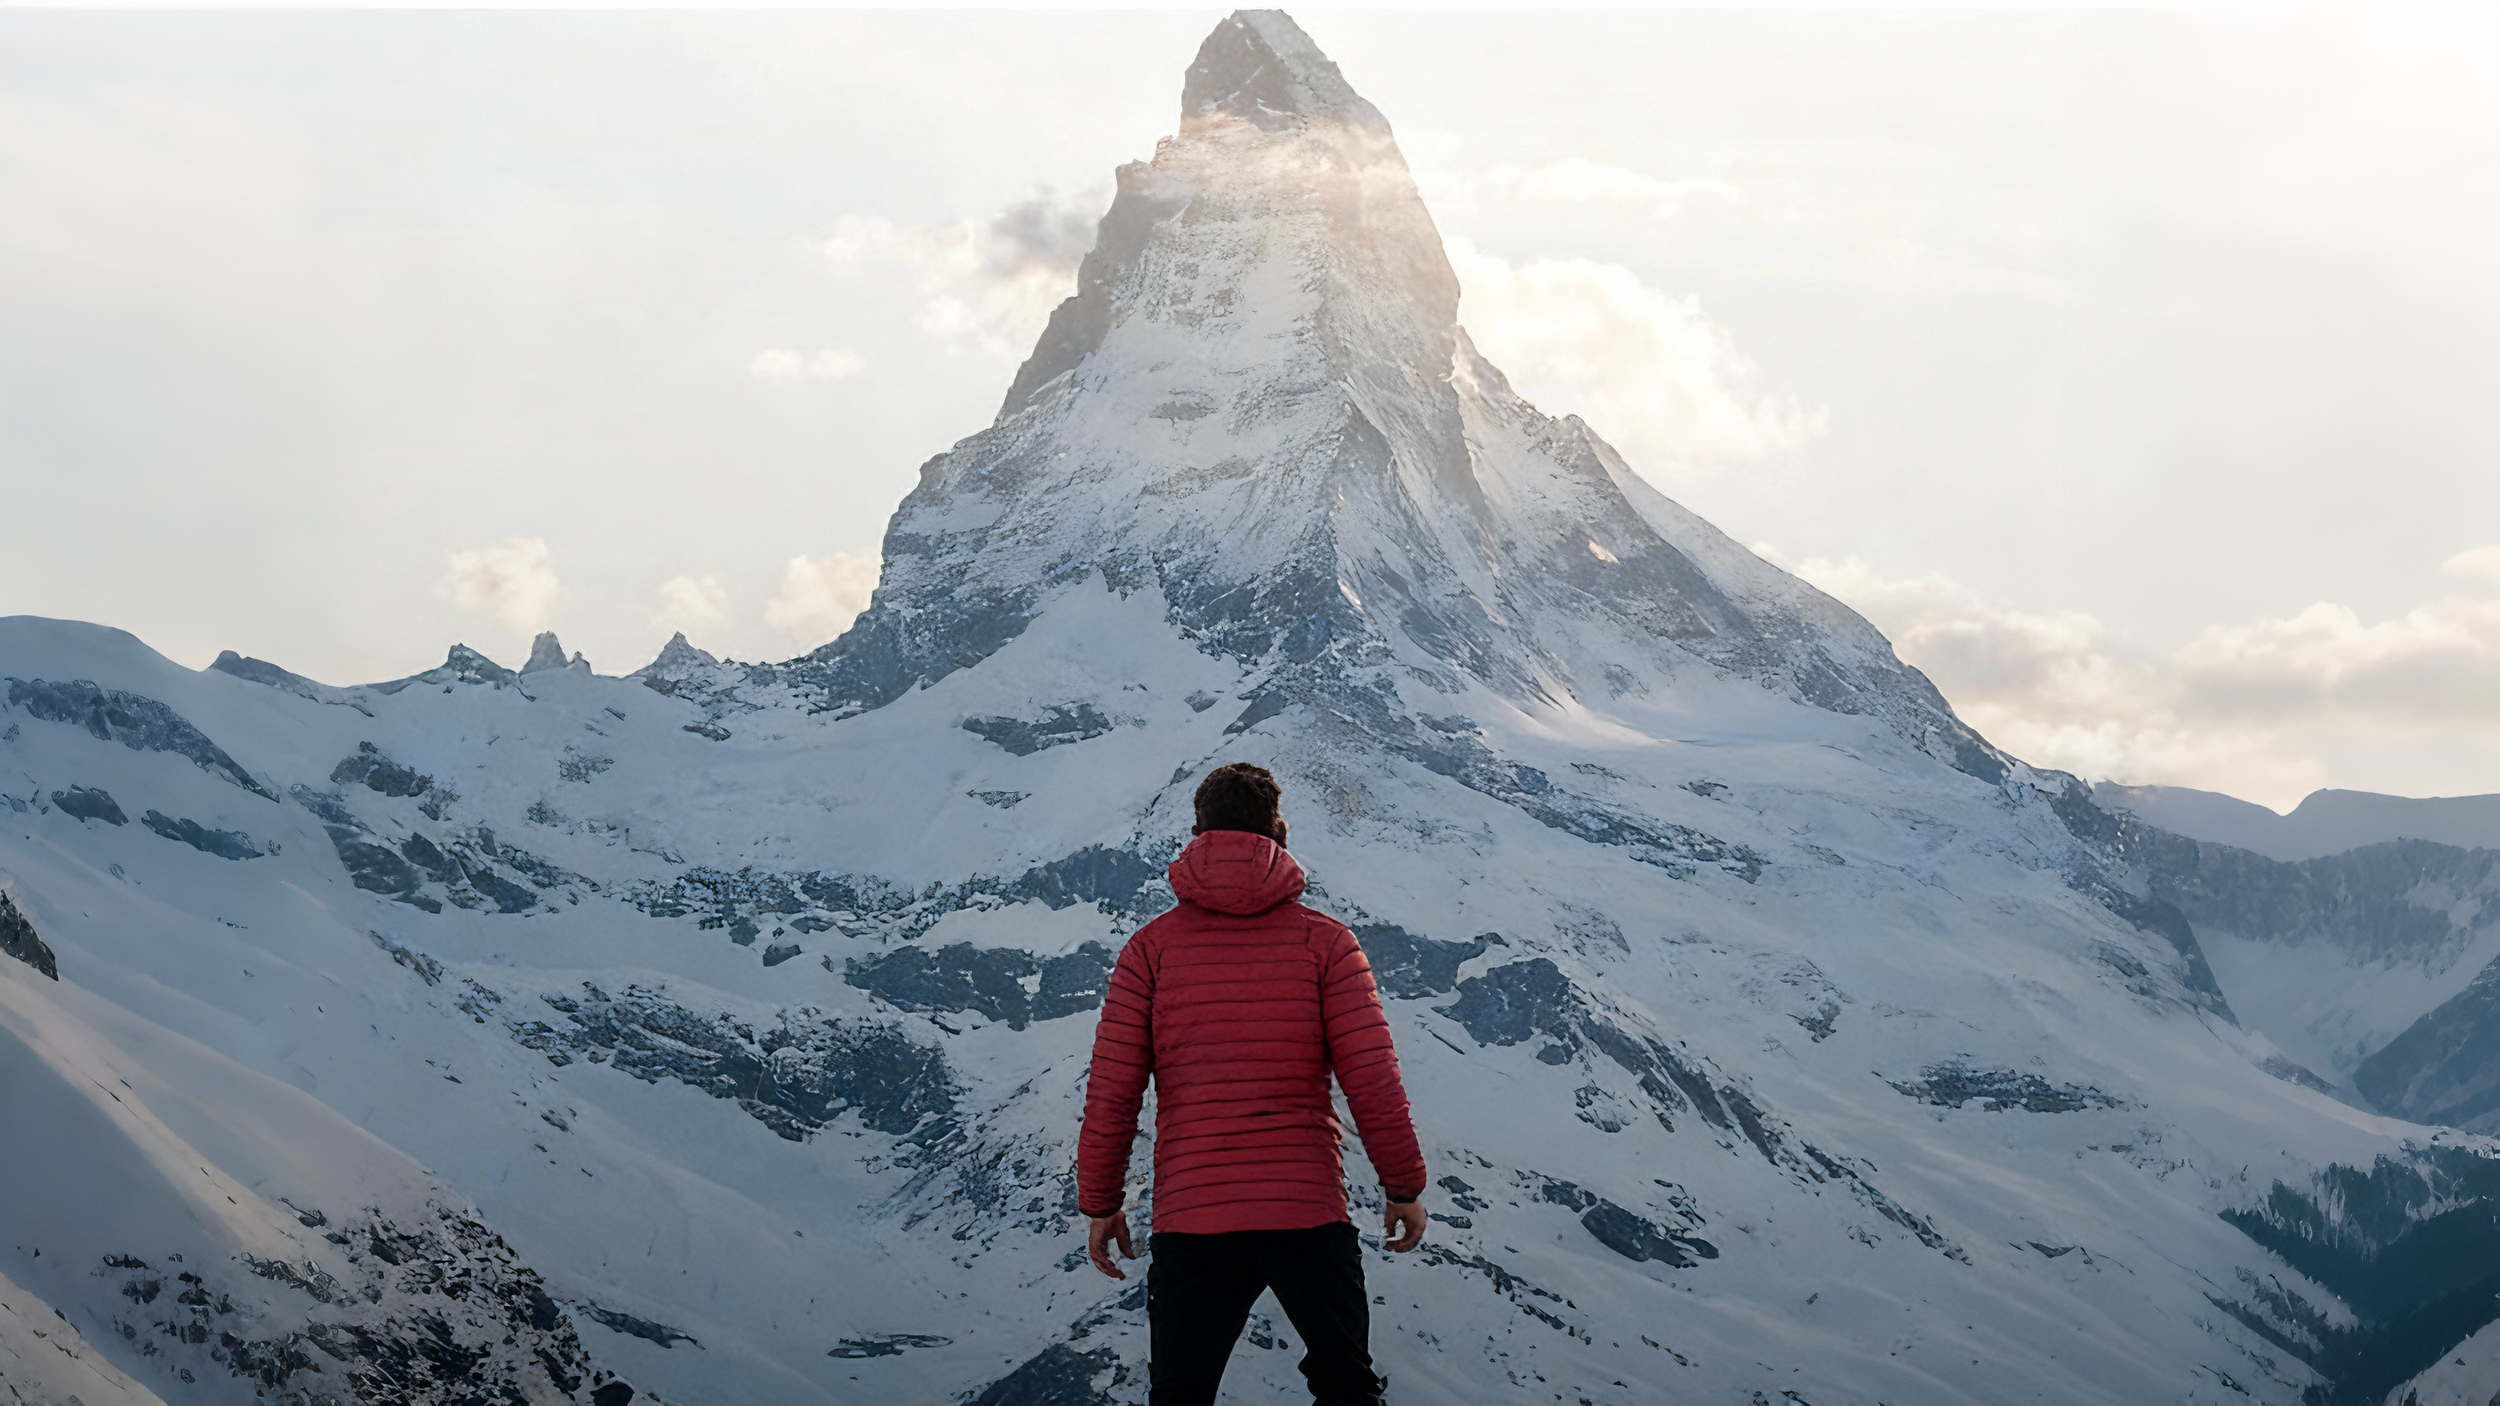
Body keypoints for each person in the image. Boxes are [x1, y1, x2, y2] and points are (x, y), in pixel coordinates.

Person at [1076, 762, 1429, 1406]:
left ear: (1196, 835)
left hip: (1194, 1216)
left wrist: (1101, 1202)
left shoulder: (1149, 951)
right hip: (1308, 1210)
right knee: (1347, 1388)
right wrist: (1403, 1186)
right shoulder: (1327, 944)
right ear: (1279, 834)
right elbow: (1373, 1078)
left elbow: (1113, 1090)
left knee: (1180, 1395)